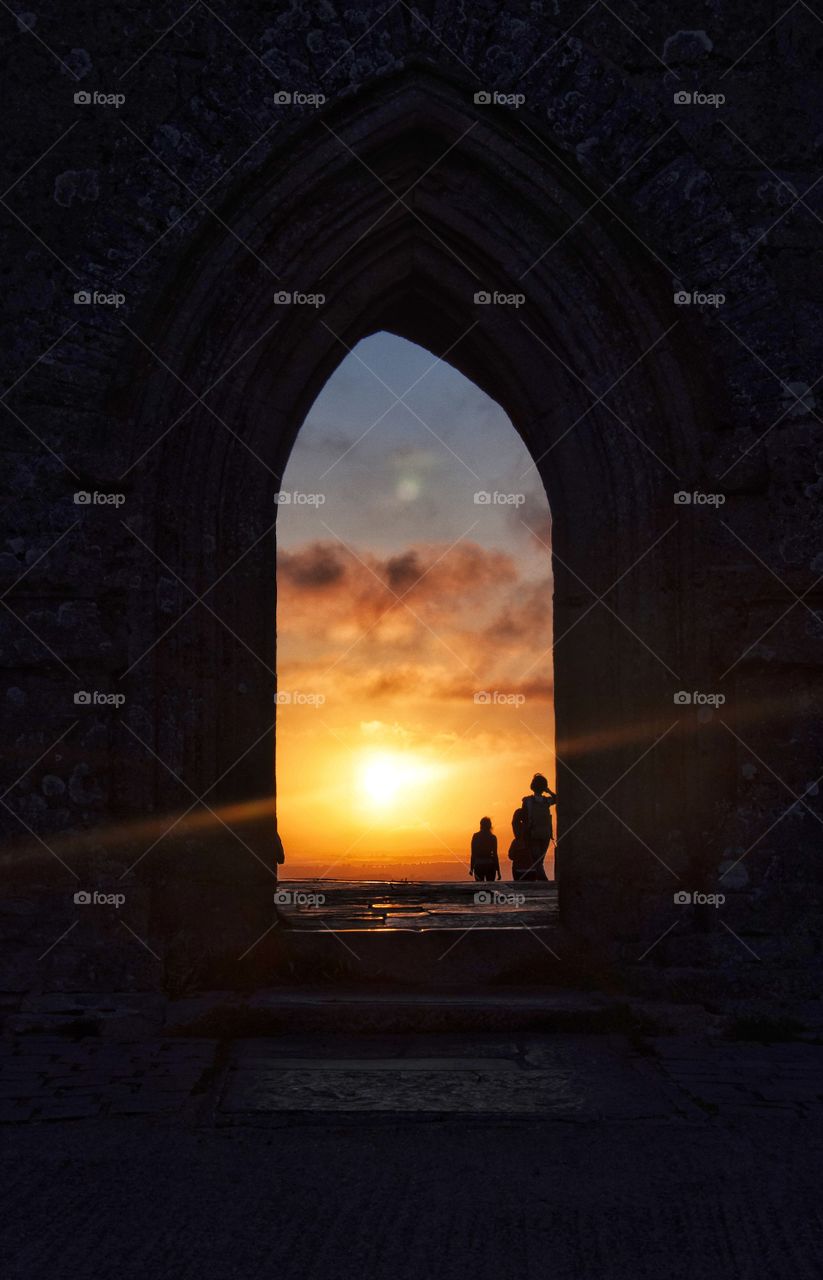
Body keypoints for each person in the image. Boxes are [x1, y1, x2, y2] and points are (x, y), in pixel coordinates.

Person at [510, 773, 557, 881]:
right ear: (543, 787)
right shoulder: (547, 801)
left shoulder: (527, 801)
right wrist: (548, 790)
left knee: (537, 861)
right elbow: (557, 798)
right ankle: (544, 882)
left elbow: (524, 817)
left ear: (533, 786)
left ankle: (544, 882)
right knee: (539, 862)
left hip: (533, 834)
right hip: (545, 835)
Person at [470, 817, 501, 882]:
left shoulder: (476, 836)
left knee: (480, 888)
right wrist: (498, 871)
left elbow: (473, 854)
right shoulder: (493, 838)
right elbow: (495, 855)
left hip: (478, 864)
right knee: (490, 888)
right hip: (490, 865)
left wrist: (471, 868)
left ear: (481, 825)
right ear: (490, 826)